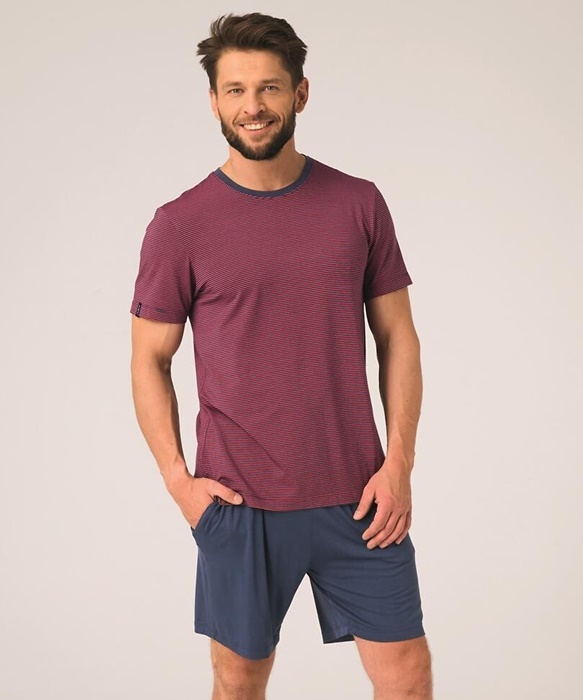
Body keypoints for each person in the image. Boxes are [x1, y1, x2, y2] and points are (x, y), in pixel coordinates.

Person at [129, 11, 433, 700]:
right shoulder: (180, 224)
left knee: (408, 677)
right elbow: (149, 358)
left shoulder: (358, 204)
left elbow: (398, 337)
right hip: (240, 503)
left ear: (300, 92)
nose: (253, 106)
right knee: (238, 682)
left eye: (268, 87)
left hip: (362, 499)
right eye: (235, 90)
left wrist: (399, 463)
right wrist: (179, 481)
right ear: (213, 101)